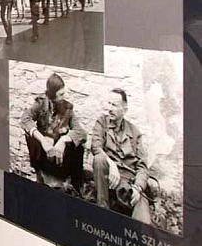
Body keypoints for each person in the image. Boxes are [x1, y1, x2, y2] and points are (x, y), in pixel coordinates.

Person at [91, 89, 158, 224]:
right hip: (110, 176)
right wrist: (111, 164)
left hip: (130, 182)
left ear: (124, 109)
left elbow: (142, 167)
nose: (109, 109)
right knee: (99, 159)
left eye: (114, 105)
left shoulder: (135, 133)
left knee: (143, 224)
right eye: (109, 103)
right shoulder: (102, 123)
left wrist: (138, 188)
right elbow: (96, 147)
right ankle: (102, 212)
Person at [20, 73, 87, 191]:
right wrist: (43, 140)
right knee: (30, 134)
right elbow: (25, 119)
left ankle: (76, 186)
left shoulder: (68, 108)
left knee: (79, 145)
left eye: (64, 93)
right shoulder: (41, 104)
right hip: (43, 152)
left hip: (60, 155)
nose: (64, 96)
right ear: (51, 96)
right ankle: (40, 175)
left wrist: (63, 140)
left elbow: (81, 132)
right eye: (60, 94)